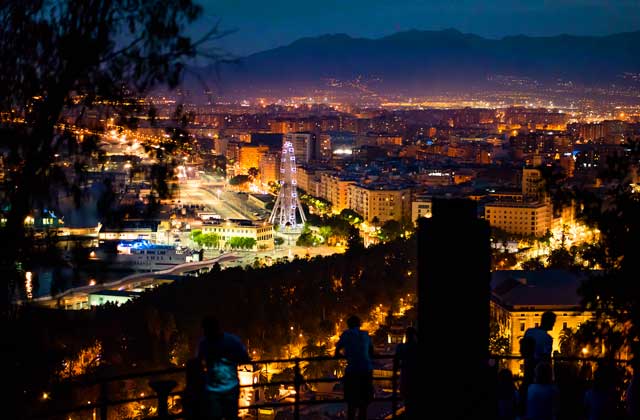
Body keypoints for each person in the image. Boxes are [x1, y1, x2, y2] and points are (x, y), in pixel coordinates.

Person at [196, 315, 250, 420]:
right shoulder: (232, 341)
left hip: (216, 391)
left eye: (206, 329)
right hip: (228, 389)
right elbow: (245, 358)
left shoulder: (204, 343)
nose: (205, 332)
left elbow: (198, 363)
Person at [335, 315, 374, 420]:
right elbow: (371, 352)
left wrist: (346, 356)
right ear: (359, 325)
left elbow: (337, 351)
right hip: (366, 370)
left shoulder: (346, 335)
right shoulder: (366, 335)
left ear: (348, 325)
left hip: (353, 371)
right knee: (363, 404)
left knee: (351, 403)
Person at [520, 311, 557, 414]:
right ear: (549, 322)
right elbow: (546, 358)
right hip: (539, 372)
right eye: (553, 322)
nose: (554, 325)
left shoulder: (529, 332)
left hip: (527, 368)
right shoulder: (547, 338)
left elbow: (523, 351)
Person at [394, 327, 418, 420]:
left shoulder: (401, 347)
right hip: (414, 377)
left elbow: (396, 361)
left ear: (406, 336)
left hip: (405, 376)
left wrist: (395, 373)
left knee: (407, 400)